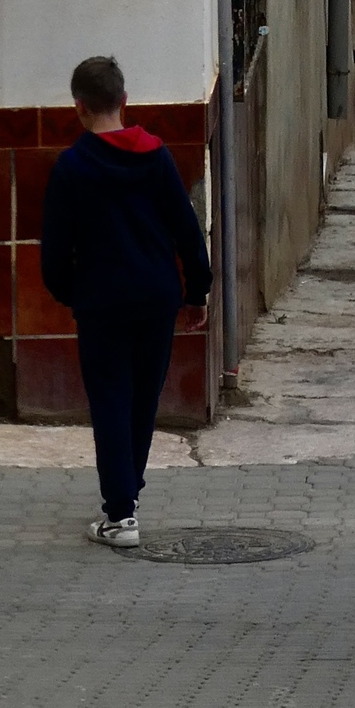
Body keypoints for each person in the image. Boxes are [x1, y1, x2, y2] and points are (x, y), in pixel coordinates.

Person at [39, 54, 212, 549]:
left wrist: (71, 293)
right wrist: (196, 290)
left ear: (78, 107)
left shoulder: (72, 167)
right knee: (143, 397)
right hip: (157, 295)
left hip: (103, 300)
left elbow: (54, 251)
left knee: (111, 398)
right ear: (125, 100)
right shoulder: (157, 158)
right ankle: (127, 496)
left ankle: (121, 514)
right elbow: (187, 229)